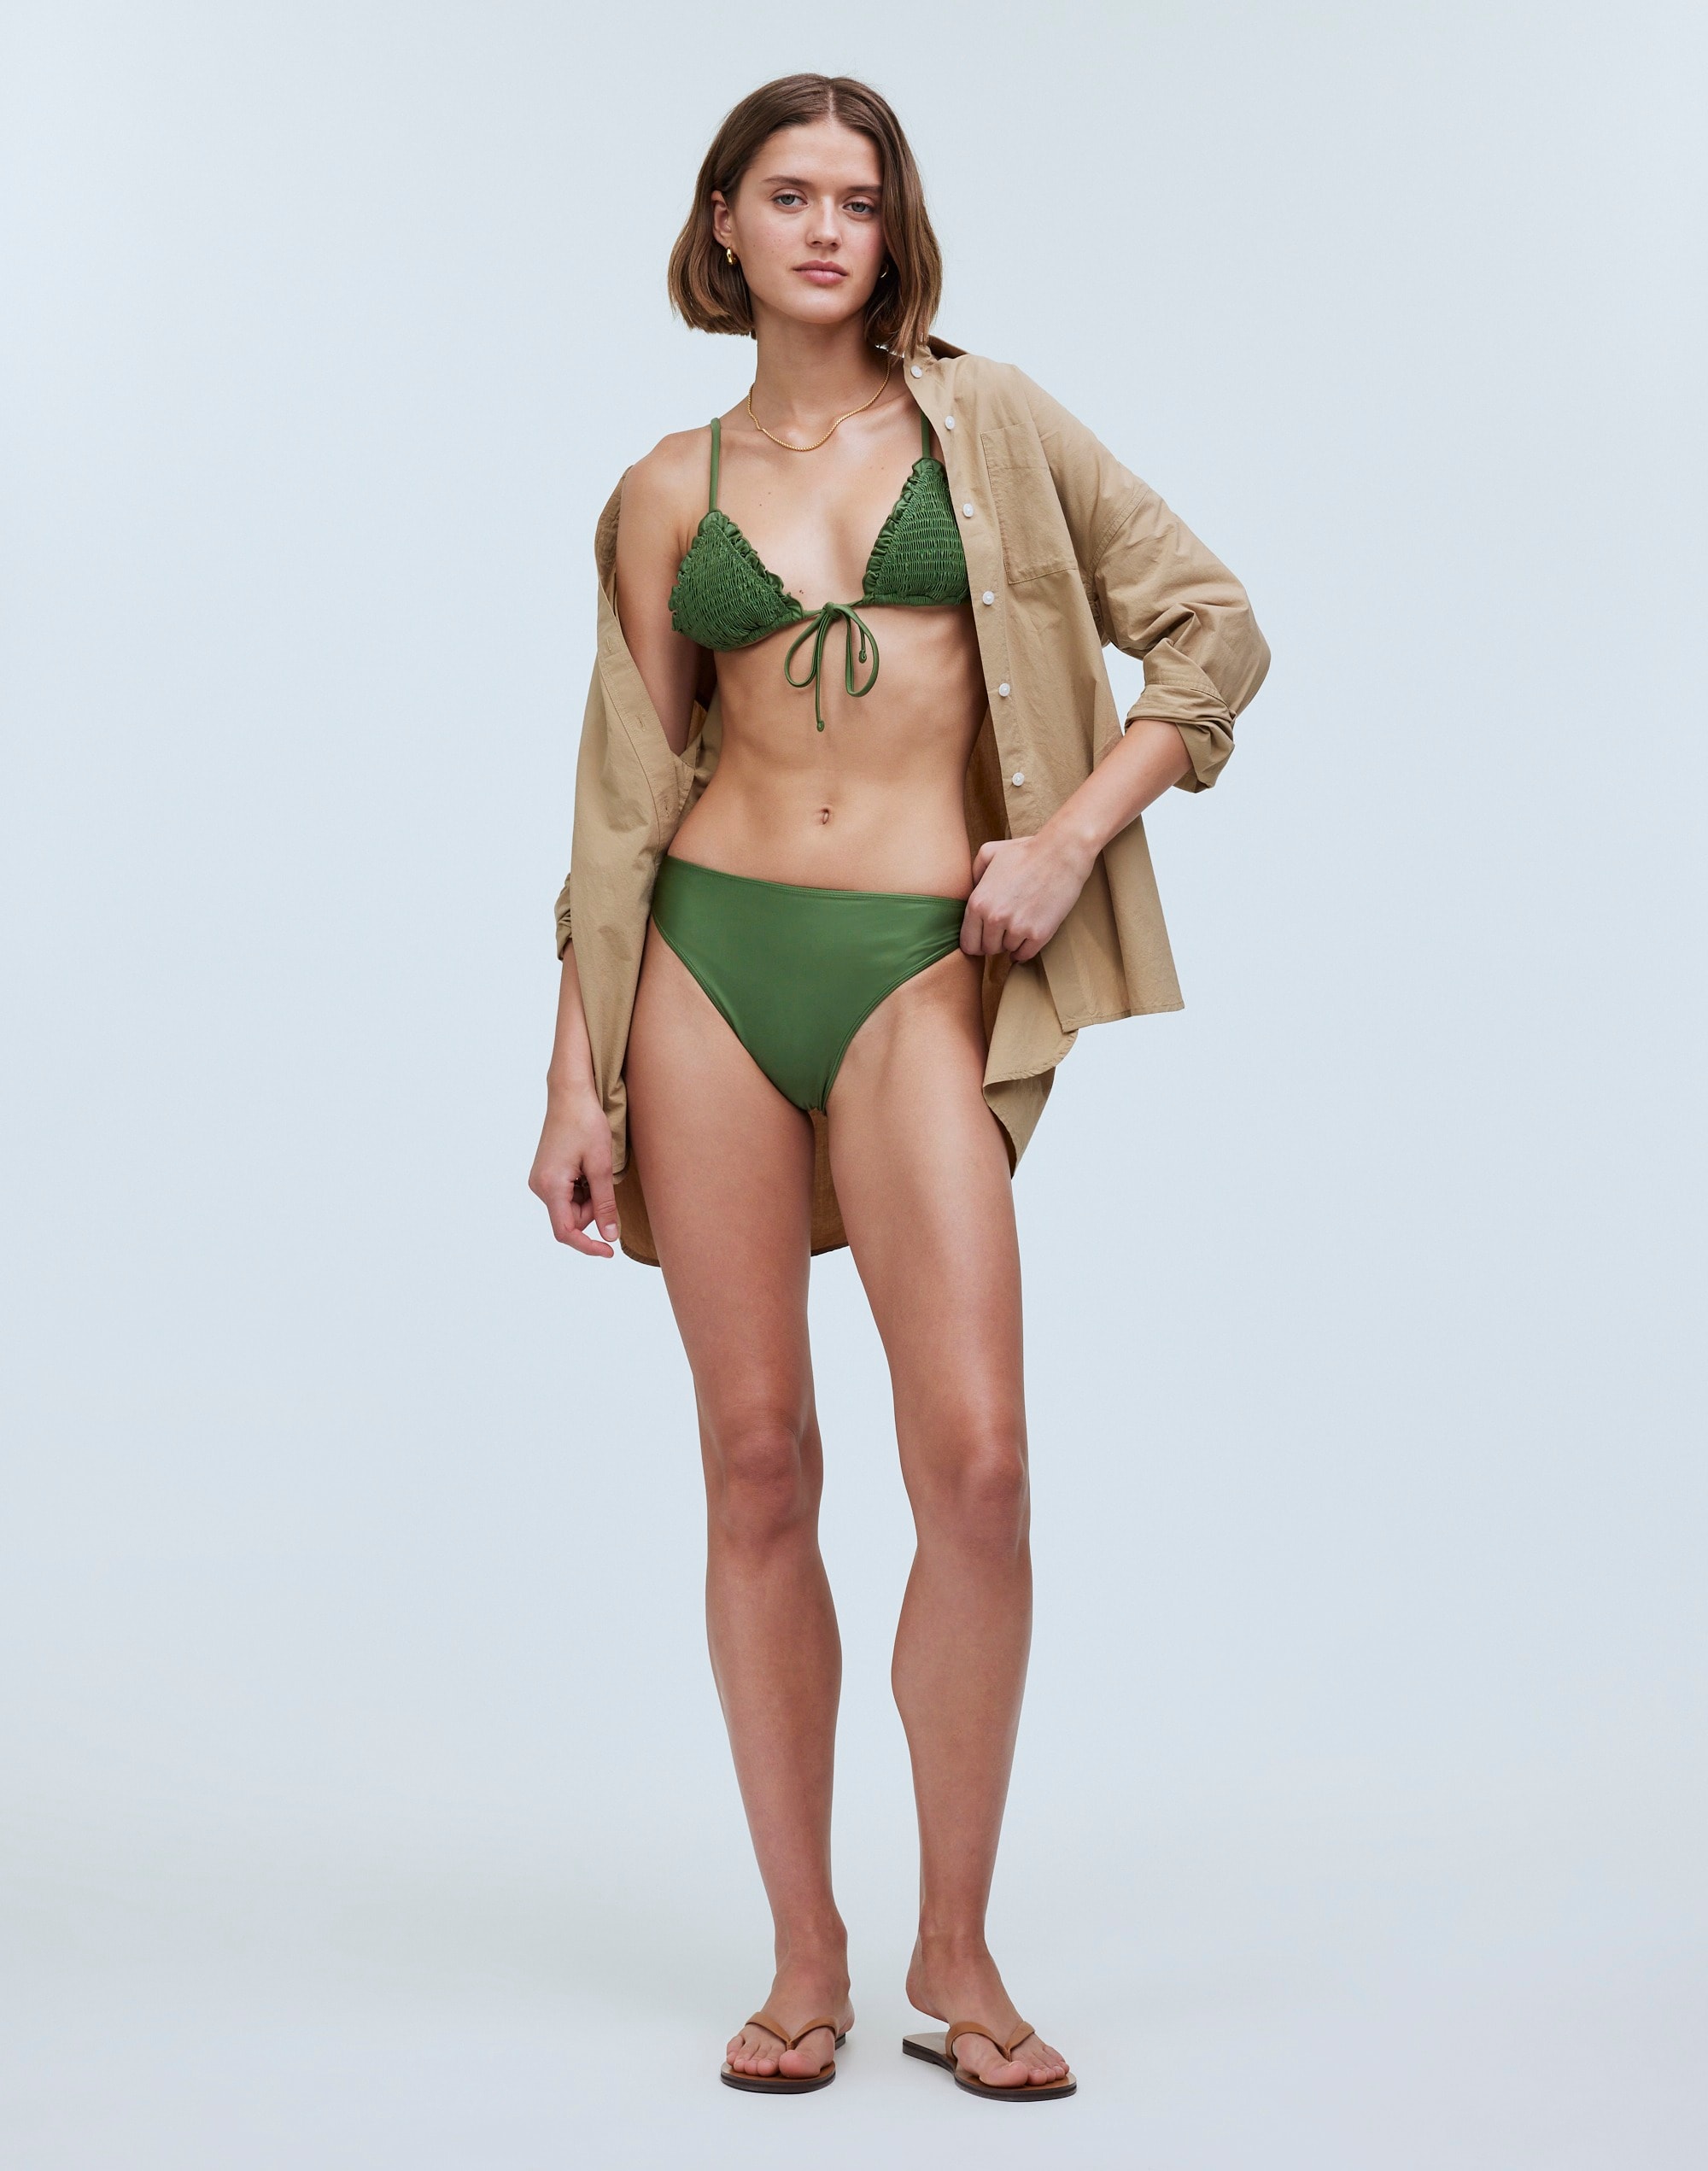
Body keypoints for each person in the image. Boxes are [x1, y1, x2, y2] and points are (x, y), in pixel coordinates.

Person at [529, 72, 1268, 2102]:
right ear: (725, 224)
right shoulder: (665, 488)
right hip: (702, 971)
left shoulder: (989, 423)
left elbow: (1211, 631)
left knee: (981, 1465)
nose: (826, 229)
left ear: (892, 230)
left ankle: (958, 1940)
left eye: (858, 198)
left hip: (919, 971)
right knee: (759, 1463)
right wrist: (573, 1072)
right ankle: (804, 1953)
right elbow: (620, 802)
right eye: (788, 194)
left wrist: (1067, 841)